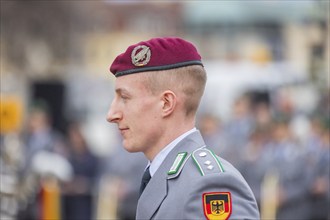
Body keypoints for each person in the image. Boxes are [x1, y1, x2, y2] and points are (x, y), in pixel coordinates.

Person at [106, 37, 260, 219]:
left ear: (166, 103)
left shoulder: (209, 185)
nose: (112, 114)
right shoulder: (168, 175)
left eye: (125, 98)